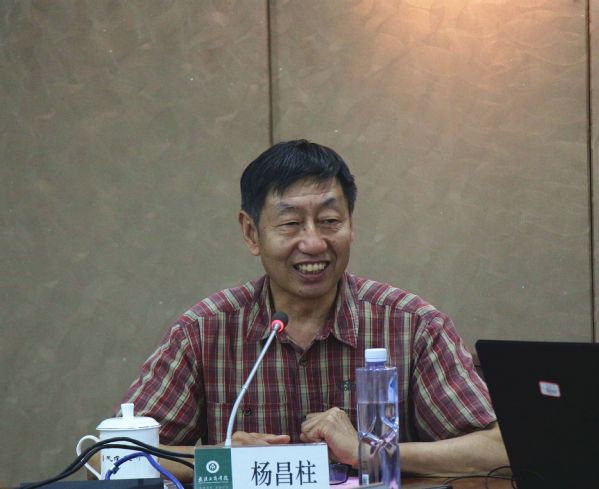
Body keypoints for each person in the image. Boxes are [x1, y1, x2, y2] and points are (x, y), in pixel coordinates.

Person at [119, 139, 508, 480]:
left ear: (351, 224)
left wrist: (371, 452)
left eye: (329, 221)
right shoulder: (204, 331)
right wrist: (221, 459)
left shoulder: (412, 324)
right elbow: (113, 456)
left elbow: (501, 449)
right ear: (251, 233)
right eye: (290, 223)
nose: (314, 243)